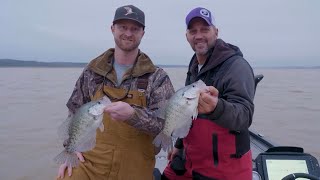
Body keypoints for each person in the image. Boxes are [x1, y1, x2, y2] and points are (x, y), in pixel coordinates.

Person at [56, 5, 175, 180]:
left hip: (135, 168)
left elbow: (166, 127)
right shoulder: (92, 72)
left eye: (134, 28)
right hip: (91, 164)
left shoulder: (157, 78)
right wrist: (70, 150)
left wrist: (134, 115)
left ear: (143, 33)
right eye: (122, 27)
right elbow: (74, 111)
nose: (128, 33)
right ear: (112, 29)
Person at [162, 7, 255, 179]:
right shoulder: (194, 66)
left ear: (216, 32)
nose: (198, 35)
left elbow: (245, 116)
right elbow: (186, 112)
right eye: (193, 31)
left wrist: (216, 107)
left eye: (205, 29)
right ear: (187, 36)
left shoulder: (236, 66)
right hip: (192, 158)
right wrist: (179, 146)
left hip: (224, 167)